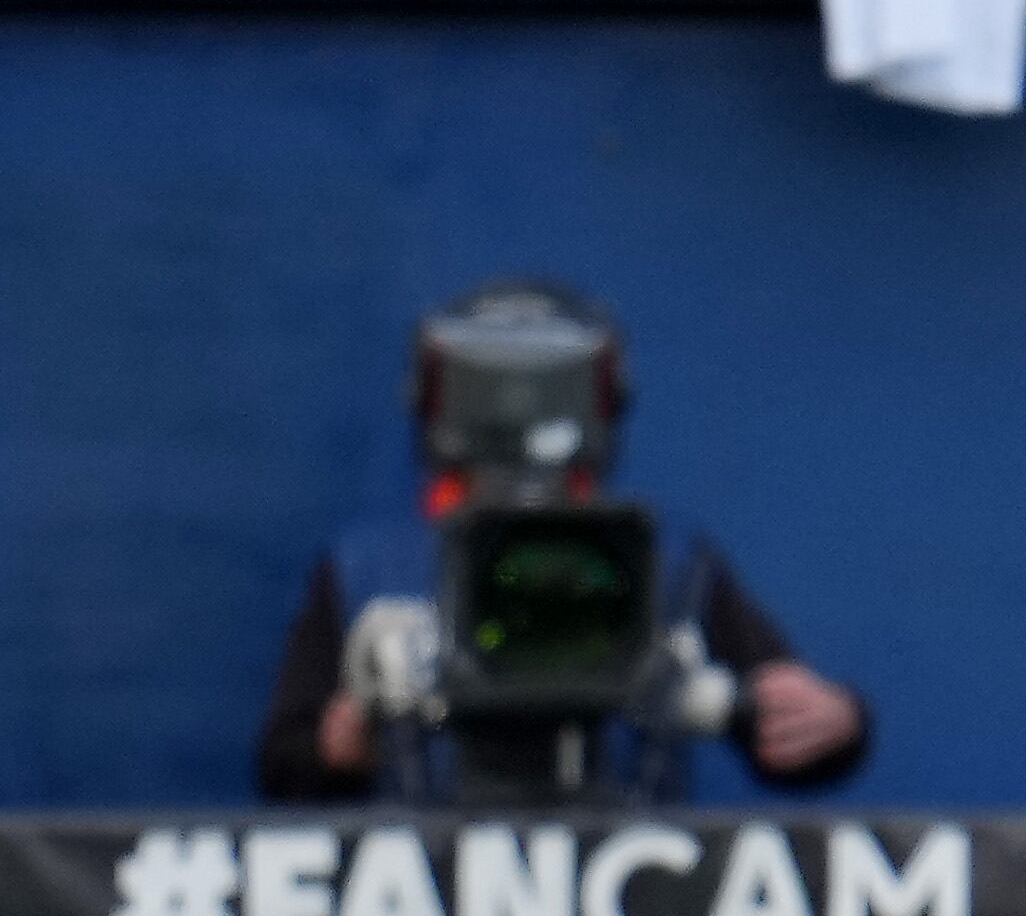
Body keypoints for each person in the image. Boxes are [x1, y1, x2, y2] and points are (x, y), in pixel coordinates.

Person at [254, 284, 870, 807]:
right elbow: (285, 768)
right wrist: (339, 747)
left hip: (629, 884)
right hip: (432, 884)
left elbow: (782, 732)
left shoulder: (666, 557)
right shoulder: (367, 567)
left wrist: (835, 722)